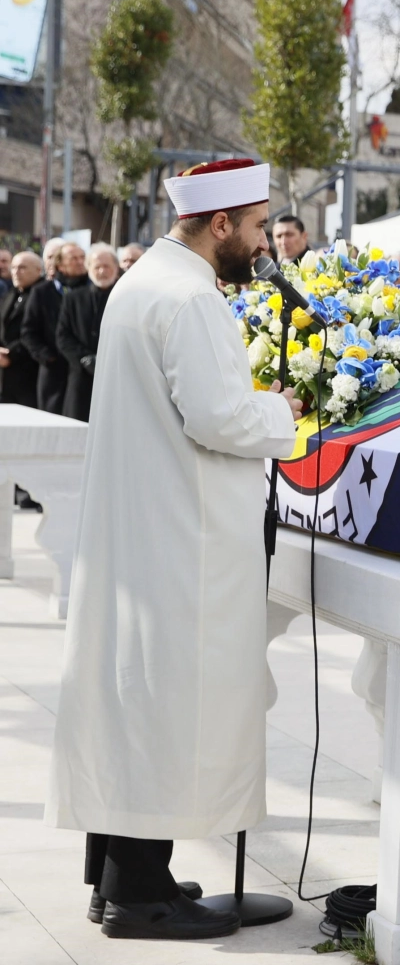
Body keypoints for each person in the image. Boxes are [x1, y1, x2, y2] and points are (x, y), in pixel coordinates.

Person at [48, 158, 301, 941]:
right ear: (220, 223)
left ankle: (131, 877)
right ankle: (138, 898)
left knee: (142, 705)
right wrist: (281, 410)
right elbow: (218, 417)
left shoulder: (146, 280)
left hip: (149, 525)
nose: (263, 245)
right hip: (178, 535)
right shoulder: (190, 297)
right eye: (258, 227)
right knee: (166, 708)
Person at [23, 239, 87, 414]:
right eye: (73, 258)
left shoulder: (91, 291)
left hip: (83, 371)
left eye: (82, 257)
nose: (80, 262)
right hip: (53, 371)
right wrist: (48, 357)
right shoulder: (42, 292)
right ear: (60, 264)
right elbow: (29, 331)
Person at [57, 244, 120, 422]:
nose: (102, 271)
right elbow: (63, 336)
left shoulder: (127, 297)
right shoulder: (73, 298)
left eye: (106, 266)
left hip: (115, 377)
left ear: (116, 268)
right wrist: (85, 358)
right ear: (88, 268)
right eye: (96, 266)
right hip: (80, 378)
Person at [0, 250, 42, 407]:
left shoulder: (43, 294)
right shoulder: (11, 293)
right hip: (6, 375)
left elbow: (36, 331)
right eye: (14, 267)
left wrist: (11, 354)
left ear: (38, 270)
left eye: (22, 267)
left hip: (29, 371)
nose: (16, 272)